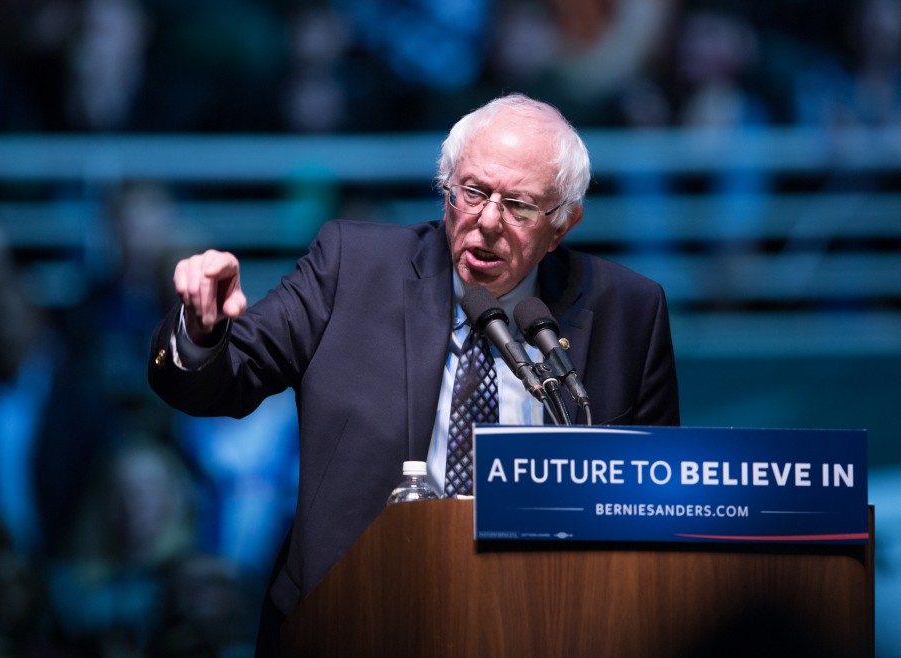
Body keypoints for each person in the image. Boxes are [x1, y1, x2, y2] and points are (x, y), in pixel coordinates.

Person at [147, 92, 680, 653]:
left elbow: (658, 516)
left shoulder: (630, 312)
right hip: (352, 623)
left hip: (540, 626)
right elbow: (222, 378)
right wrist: (201, 331)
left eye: (519, 205)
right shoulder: (351, 266)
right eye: (473, 193)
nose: (489, 222)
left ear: (563, 224)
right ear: (446, 189)